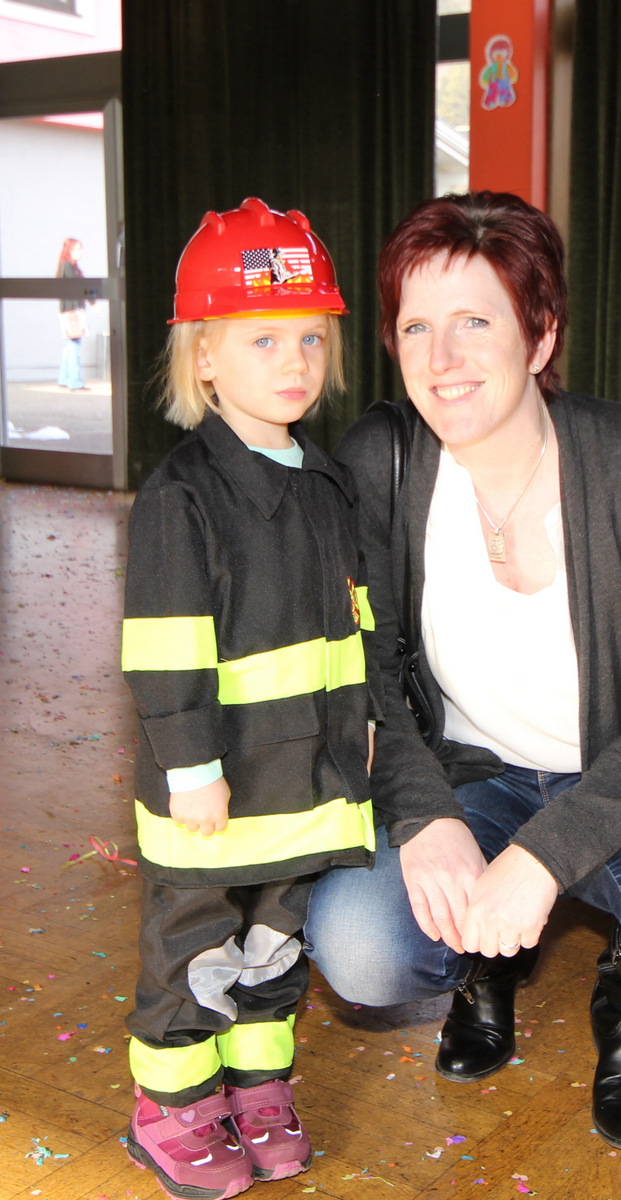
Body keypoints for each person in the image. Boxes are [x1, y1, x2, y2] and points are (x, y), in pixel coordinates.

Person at [304, 190, 621, 1153]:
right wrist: (426, 816)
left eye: (476, 322)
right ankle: (481, 970)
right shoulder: (382, 462)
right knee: (361, 947)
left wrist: (538, 859)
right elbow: (363, 671)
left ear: (540, 337)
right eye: (417, 327)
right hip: (468, 777)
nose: (442, 358)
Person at [121, 197, 379, 1199]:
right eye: (263, 339)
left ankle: (256, 1088)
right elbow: (165, 650)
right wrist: (191, 768)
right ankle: (173, 1107)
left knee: (274, 943)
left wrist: (359, 728)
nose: (294, 361)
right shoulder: (181, 496)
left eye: (310, 338)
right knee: (193, 946)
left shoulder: (325, 479)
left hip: (305, 779)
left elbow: (350, 622)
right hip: (215, 787)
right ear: (205, 358)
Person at [56, 237, 89, 392]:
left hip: (71, 310)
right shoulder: (67, 266)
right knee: (74, 346)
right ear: (69, 251)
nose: (81, 252)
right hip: (72, 311)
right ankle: (74, 382)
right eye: (77, 249)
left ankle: (63, 379)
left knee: (71, 346)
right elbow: (78, 287)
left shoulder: (70, 266)